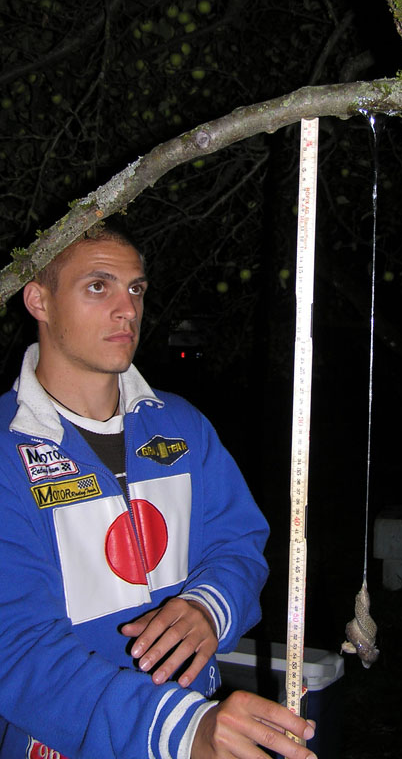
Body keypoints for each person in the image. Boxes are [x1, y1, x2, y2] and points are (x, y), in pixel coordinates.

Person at [0, 227, 316, 759]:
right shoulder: (7, 453)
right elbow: (19, 648)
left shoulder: (181, 426)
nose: (127, 309)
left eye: (136, 289)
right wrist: (184, 730)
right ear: (39, 300)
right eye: (98, 287)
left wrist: (207, 607)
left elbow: (238, 545)